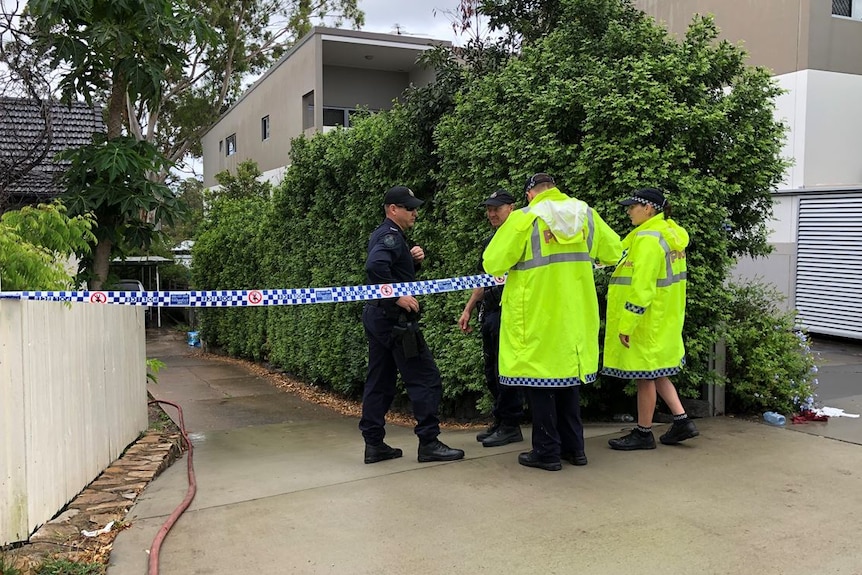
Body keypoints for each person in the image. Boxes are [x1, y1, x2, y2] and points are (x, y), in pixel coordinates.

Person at [483, 173, 622, 471]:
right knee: (568, 382)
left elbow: (492, 262)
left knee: (540, 384)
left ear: (530, 194)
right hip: (575, 314)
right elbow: (612, 252)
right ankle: (576, 449)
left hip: (535, 315)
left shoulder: (525, 218)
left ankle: (546, 452)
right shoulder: (585, 213)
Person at [360, 185, 465, 464]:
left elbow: (389, 268)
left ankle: (374, 444)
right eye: (409, 208)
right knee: (425, 378)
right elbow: (375, 267)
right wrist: (397, 296)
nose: (415, 212)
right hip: (396, 324)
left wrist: (413, 261)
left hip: (378, 317)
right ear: (393, 209)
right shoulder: (391, 236)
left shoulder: (388, 235)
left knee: (379, 381)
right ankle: (429, 442)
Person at [603, 187, 699, 450]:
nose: (628, 210)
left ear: (648, 209)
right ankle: (682, 421)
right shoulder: (670, 235)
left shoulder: (647, 239)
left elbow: (642, 288)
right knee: (657, 372)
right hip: (664, 316)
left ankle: (643, 432)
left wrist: (627, 324)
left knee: (645, 375)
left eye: (633, 206)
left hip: (645, 319)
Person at [458, 189, 524, 447]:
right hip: (491, 312)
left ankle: (511, 424)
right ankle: (501, 420)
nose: (491, 213)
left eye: (497, 208)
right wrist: (468, 308)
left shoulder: (520, 238)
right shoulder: (491, 241)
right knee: (491, 371)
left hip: (511, 313)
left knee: (505, 370)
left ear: (512, 208)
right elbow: (483, 280)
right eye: (488, 209)